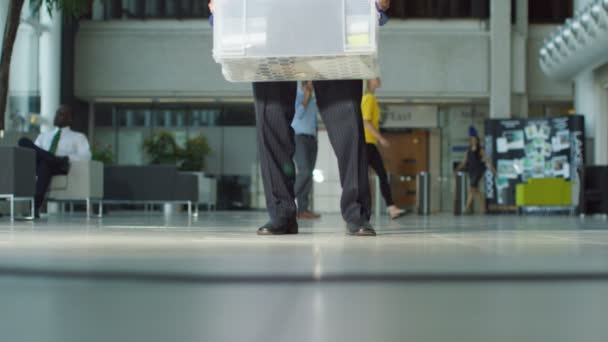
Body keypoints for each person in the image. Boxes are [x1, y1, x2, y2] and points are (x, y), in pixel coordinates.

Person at [209, 0, 391, 236]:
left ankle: (356, 214)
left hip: (331, 30)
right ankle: (281, 213)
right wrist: (222, 9)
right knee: (271, 121)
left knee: (348, 126)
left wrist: (376, 6)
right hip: (274, 30)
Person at [18, 105, 92, 218]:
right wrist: (52, 158)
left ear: (70, 119)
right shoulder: (43, 136)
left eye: (61, 114)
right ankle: (53, 159)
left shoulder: (78, 137)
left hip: (60, 168)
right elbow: (34, 153)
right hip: (44, 164)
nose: (57, 116)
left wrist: (67, 158)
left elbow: (86, 155)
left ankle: (34, 207)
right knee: (24, 141)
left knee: (45, 164)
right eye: (57, 113)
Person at [361, 78, 406, 219]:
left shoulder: (369, 98)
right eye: (376, 78)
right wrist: (380, 138)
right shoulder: (369, 98)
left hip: (369, 143)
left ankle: (391, 207)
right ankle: (388, 207)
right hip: (367, 143)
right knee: (376, 175)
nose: (379, 80)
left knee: (379, 174)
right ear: (369, 81)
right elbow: (366, 121)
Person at [292, 81, 321, 219]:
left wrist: (316, 136)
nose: (312, 86)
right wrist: (306, 97)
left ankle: (303, 210)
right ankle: (287, 199)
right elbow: (297, 115)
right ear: (304, 84)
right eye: (310, 83)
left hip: (312, 139)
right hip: (299, 138)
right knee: (304, 172)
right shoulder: (296, 95)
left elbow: (314, 120)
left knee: (309, 175)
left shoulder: (313, 101)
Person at [455, 126, 496, 214]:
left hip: (478, 171)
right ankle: (484, 208)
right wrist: (458, 168)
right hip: (471, 171)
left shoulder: (480, 150)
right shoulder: (468, 150)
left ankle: (467, 208)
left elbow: (487, 161)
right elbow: (464, 161)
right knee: (475, 190)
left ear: (477, 140)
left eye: (474, 139)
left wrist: (493, 170)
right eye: (471, 139)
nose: (473, 141)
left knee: (472, 188)